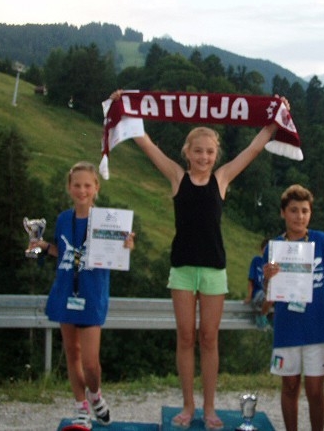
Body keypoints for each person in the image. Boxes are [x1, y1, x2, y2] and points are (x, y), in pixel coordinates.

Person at [110, 91, 291, 430]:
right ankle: (188, 406)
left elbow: (252, 150)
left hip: (213, 271)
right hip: (181, 268)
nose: (204, 157)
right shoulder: (177, 177)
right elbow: (145, 142)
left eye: (210, 152)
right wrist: (123, 104)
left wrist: (274, 118)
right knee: (185, 337)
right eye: (198, 151)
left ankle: (209, 408)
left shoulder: (222, 179)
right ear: (187, 153)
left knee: (209, 338)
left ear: (215, 154)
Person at [31, 161, 135, 429]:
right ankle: (81, 408)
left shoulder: (106, 220)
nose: (82, 190)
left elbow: (116, 256)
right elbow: (63, 251)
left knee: (90, 363)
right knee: (72, 353)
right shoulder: (64, 219)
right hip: (65, 291)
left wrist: (126, 247)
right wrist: (43, 246)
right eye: (77, 185)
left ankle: (95, 395)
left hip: (92, 293)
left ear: (96, 188)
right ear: (69, 187)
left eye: (87, 185)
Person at [260, 184, 324, 431]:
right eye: (294, 210)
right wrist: (267, 280)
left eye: (305, 211)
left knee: (315, 390)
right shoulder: (274, 247)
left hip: (317, 329)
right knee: (290, 387)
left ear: (310, 214)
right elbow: (266, 305)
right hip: (287, 329)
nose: (299, 216)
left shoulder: (322, 241)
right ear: (283, 213)